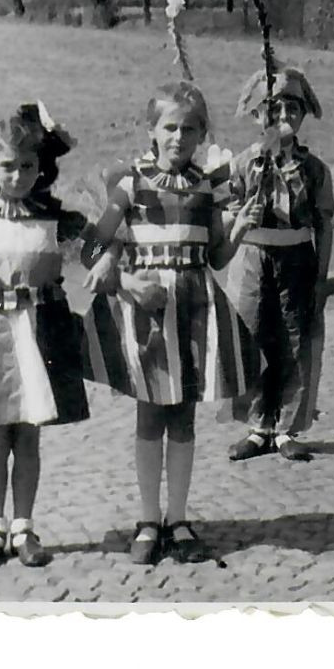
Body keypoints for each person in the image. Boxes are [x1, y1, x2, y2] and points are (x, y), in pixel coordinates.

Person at [81, 82, 263, 566]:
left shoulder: (206, 187)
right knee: (150, 413)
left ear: (202, 134)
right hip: (146, 309)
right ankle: (147, 518)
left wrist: (240, 227)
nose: (178, 137)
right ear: (151, 130)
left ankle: (178, 518)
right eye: (169, 127)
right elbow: (93, 245)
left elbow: (217, 257)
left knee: (182, 416)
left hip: (193, 311)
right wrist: (119, 276)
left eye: (188, 129)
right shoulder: (132, 183)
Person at [0, 105, 91, 570]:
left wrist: (107, 260)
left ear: (41, 169)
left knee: (28, 436)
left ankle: (24, 525)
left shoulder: (54, 217)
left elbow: (97, 245)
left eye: (28, 166)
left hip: (40, 331)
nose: (19, 175)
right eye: (8, 165)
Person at [224, 67, 334, 463]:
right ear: (257, 115)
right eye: (273, 108)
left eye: (293, 107)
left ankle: (287, 427)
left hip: (296, 260)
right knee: (252, 335)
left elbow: (324, 224)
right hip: (251, 259)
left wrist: (321, 276)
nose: (283, 115)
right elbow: (224, 211)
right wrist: (238, 216)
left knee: (294, 338)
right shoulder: (242, 164)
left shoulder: (314, 169)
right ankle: (257, 426)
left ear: (303, 114)